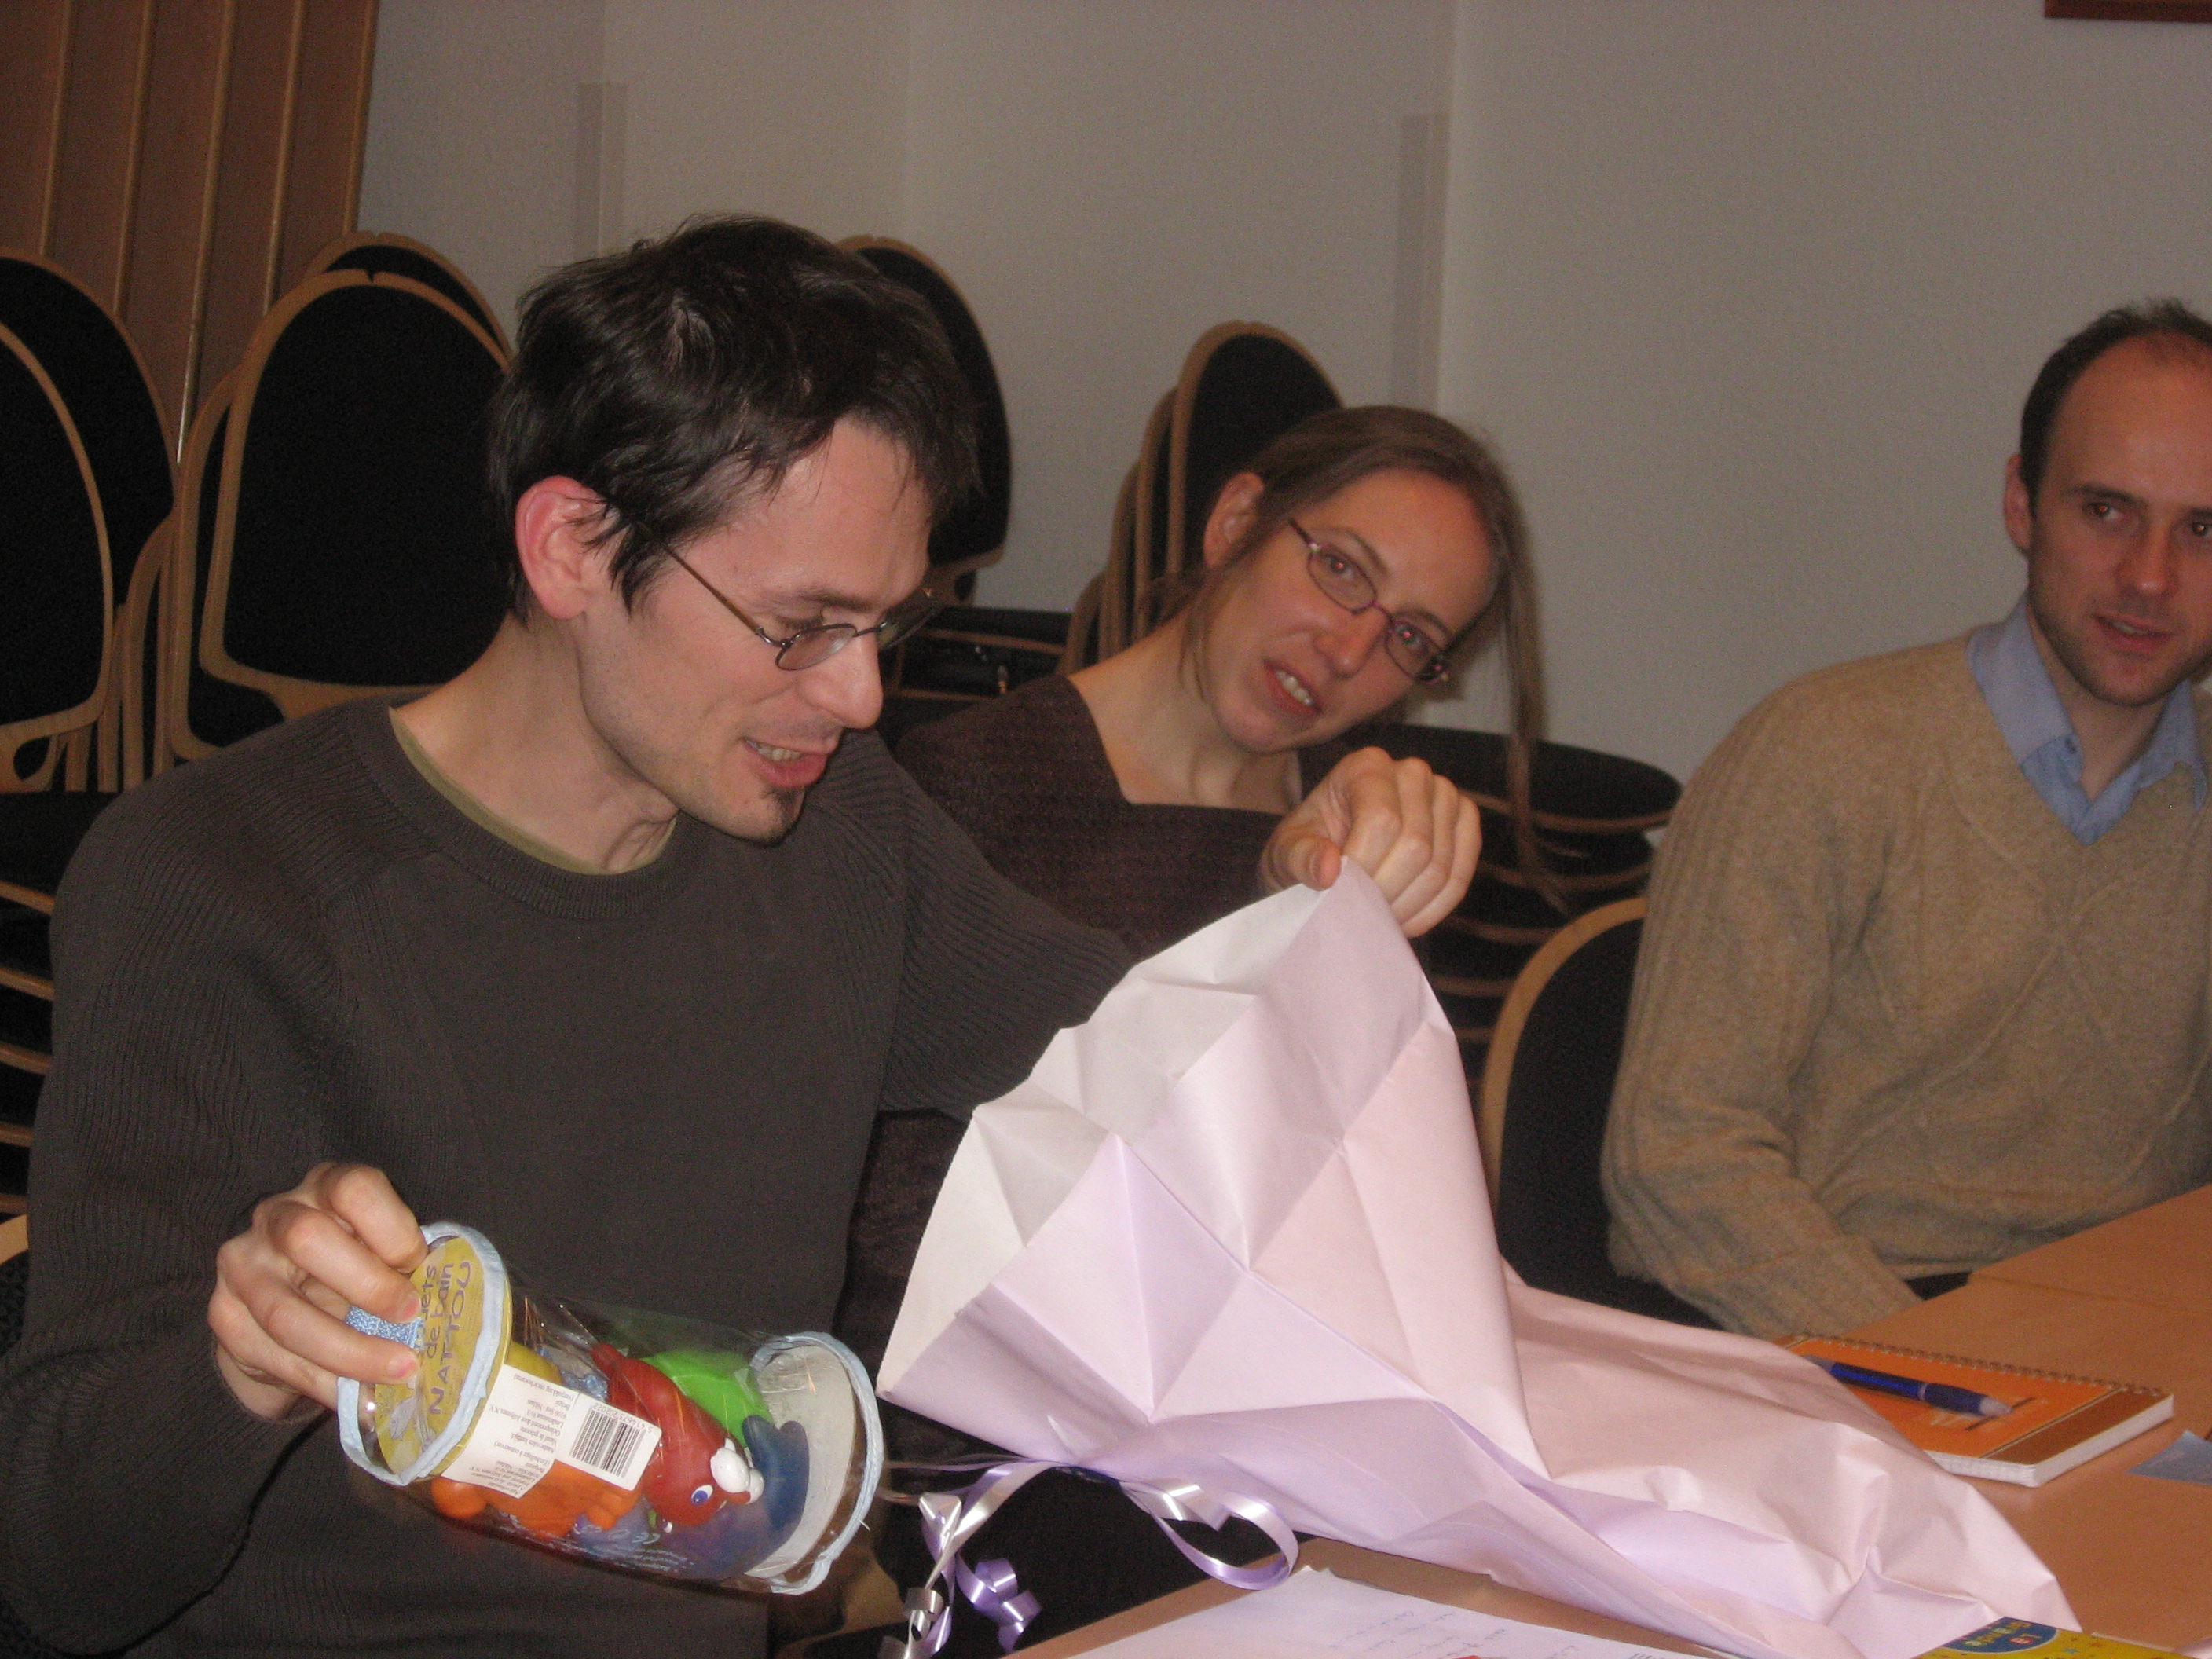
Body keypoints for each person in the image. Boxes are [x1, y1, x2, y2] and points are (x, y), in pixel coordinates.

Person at [0, 218, 1459, 1659]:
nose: (861, 698)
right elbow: (59, 1566)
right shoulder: (229, 883)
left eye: (885, 628)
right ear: (574, 547)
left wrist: (1304, 895)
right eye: (802, 626)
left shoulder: (840, 835)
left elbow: (1169, 1079)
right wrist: (240, 1365)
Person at [833, 408, 1529, 1652]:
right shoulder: (965, 788)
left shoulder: (1347, 858)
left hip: (1257, 1446)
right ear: (1234, 523)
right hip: (998, 1455)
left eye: (1409, 638)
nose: (1348, 648)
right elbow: (908, 1248)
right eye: (1341, 569)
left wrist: (1327, 923)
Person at [1602, 301, 2212, 1340]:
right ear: (2021, 504)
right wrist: (1939, 1372)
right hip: (1844, 1331)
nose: (2150, 577)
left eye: (2202, 529)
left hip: (2130, 1341)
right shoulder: (1821, 753)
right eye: (2106, 511)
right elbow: (1675, 1158)